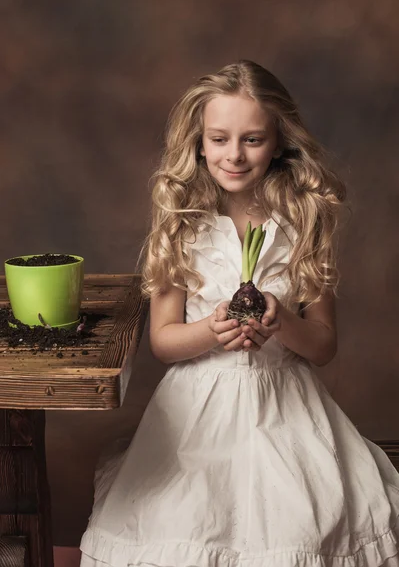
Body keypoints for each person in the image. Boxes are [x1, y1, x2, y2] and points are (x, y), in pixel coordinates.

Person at [80, 60, 399, 566]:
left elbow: (323, 344)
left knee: (295, 524)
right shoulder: (182, 224)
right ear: (199, 143)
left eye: (252, 139)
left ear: (278, 143)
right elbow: (164, 341)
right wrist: (210, 329)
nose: (234, 154)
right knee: (189, 524)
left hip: (285, 405)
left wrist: (281, 322)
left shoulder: (302, 222)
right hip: (197, 409)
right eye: (220, 139)